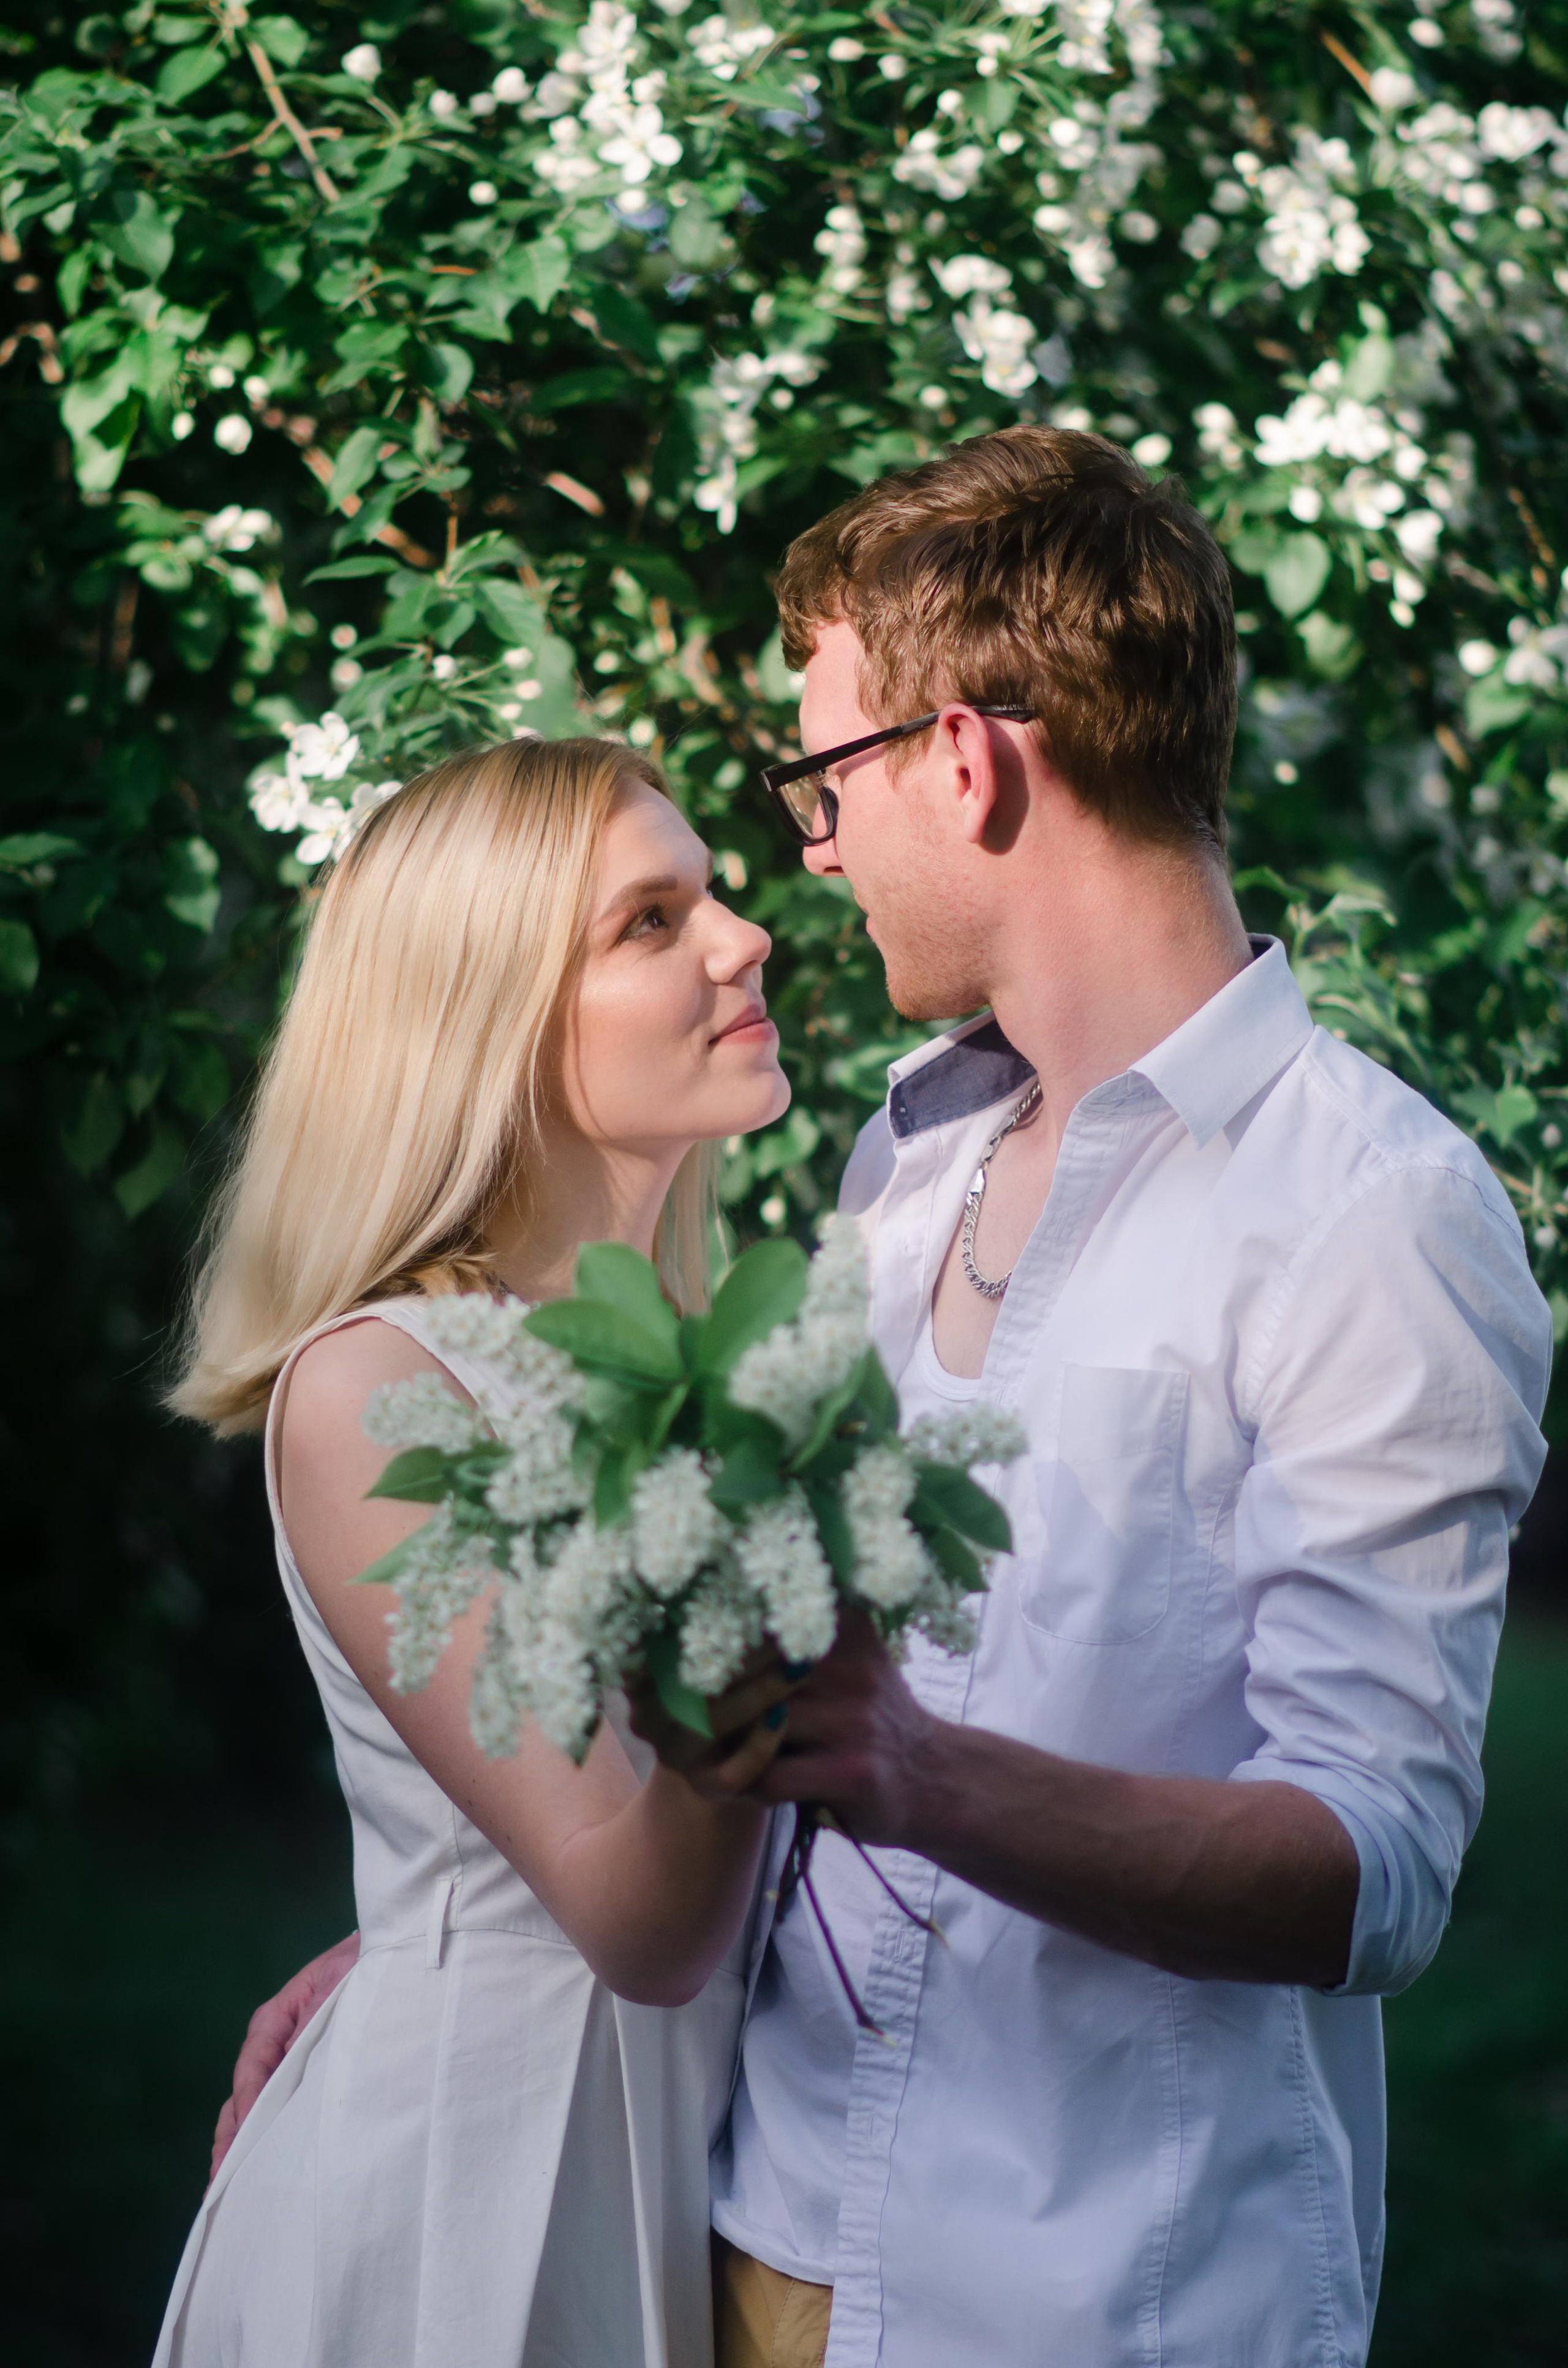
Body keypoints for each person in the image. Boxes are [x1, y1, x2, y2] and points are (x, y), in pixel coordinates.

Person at [222, 430, 1551, 2368]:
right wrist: (443, 1926)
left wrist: (919, 1775)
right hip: (751, 2241)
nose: (806, 857)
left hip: (1091, 2296)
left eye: (824, 779)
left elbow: (1380, 1865)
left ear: (964, 758)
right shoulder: (894, 1170)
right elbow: (730, 1741)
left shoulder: (1375, 1212)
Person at [155, 735, 802, 2368]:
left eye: (710, 895)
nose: (744, 938)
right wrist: (809, 1565)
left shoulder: (717, 1354)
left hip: (700, 2178)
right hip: (473, 2214)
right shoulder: (384, 1387)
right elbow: (641, 1916)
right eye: (652, 921)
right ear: (490, 1022)